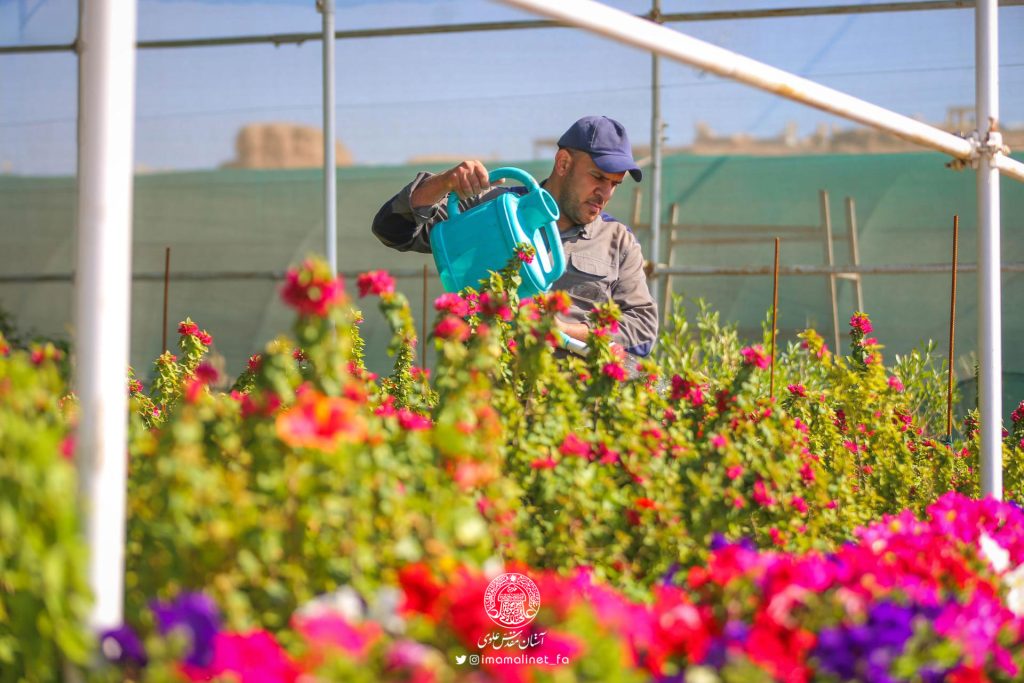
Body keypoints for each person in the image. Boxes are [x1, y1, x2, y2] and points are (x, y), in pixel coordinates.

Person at [371, 115, 658, 357]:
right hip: (487, 398)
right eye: (597, 177)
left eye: (614, 184)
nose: (605, 194)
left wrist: (566, 331)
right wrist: (443, 183)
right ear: (563, 164)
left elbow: (643, 330)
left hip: (571, 407)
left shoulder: (617, 241)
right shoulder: (493, 211)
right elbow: (392, 230)